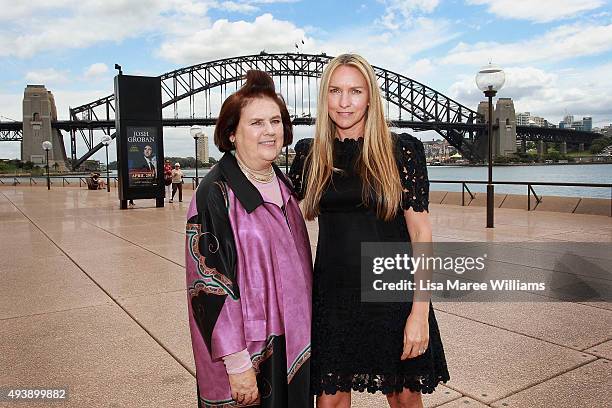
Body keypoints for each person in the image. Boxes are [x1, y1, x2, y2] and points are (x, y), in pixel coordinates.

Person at [288, 54, 450, 408]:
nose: (344, 102)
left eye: (355, 91)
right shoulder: (310, 154)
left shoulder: (401, 151)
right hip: (333, 295)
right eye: (335, 91)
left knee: (405, 398)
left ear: (370, 97)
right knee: (329, 403)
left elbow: (422, 235)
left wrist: (419, 314)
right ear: (324, 97)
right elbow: (281, 218)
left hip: (391, 294)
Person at [185, 70, 312, 407]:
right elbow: (209, 285)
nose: (269, 131)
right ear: (232, 134)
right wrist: (237, 363)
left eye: (275, 121)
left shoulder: (283, 184)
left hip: (293, 345)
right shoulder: (215, 194)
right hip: (251, 354)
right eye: (256, 123)